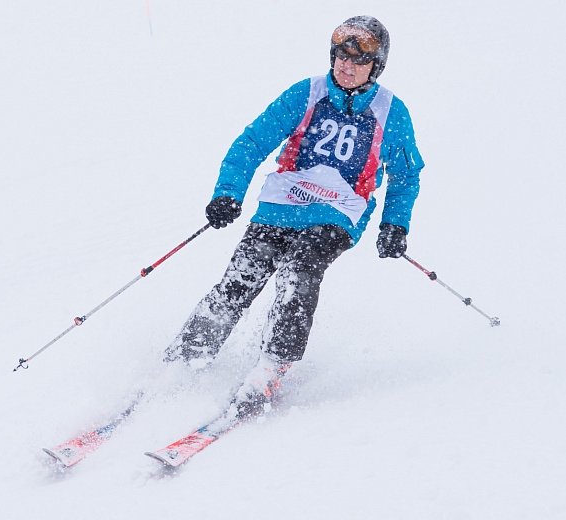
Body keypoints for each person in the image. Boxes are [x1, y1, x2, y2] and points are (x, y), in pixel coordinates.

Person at [165, 16, 424, 418]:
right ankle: (185, 358)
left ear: (376, 66)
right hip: (282, 203)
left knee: (300, 269)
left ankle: (272, 364)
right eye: (340, 57)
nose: (346, 67)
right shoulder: (307, 93)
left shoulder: (391, 112)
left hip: (339, 210)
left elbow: (406, 177)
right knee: (239, 280)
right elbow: (251, 142)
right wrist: (228, 193)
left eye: (357, 61)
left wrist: (395, 223)